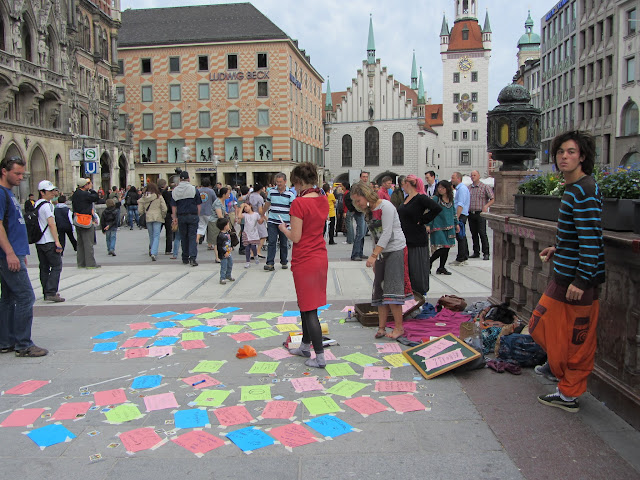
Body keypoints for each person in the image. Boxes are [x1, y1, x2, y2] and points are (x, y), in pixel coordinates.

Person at [529, 131, 605, 413]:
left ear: (582, 156)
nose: (564, 156)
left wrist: (582, 280)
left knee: (576, 339)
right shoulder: (575, 189)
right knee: (541, 325)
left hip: (577, 280)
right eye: (560, 152)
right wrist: (558, 248)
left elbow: (592, 239)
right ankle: (558, 369)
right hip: (565, 273)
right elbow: (579, 235)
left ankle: (569, 394)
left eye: (571, 152)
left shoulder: (584, 189)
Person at [278, 162, 329, 368]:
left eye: (294, 184)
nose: (294, 188)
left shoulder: (298, 203)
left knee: (309, 310)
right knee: (308, 305)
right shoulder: (323, 199)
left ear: (298, 182)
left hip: (305, 259)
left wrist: (283, 229)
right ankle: (305, 346)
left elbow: (296, 237)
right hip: (319, 256)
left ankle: (320, 356)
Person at [350, 182, 412, 340]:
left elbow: (387, 233)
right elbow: (374, 236)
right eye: (355, 201)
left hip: (395, 250)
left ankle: (399, 327)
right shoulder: (368, 212)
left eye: (358, 200)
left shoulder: (386, 206)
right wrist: (375, 255)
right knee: (379, 290)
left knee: (392, 290)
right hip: (381, 252)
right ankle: (382, 327)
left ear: (366, 195)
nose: (357, 204)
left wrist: (374, 256)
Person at [0, 155, 48, 357]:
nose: (21, 177)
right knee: (26, 296)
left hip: (13, 252)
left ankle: (6, 341)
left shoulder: (8, 193)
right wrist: (10, 252)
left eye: (22, 173)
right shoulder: (1, 193)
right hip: (6, 254)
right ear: (4, 171)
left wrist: (19, 251)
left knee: (9, 298)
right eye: (17, 173)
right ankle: (23, 344)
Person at [397, 175, 441, 295]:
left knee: (417, 269)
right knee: (408, 269)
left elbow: (436, 208)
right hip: (405, 238)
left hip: (416, 239)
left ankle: (420, 294)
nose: (402, 187)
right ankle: (409, 293)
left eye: (403, 185)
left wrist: (423, 220)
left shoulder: (420, 198)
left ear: (407, 184)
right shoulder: (407, 199)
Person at [34, 180, 65, 302]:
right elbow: (51, 224)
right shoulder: (47, 206)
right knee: (57, 266)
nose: (53, 193)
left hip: (39, 241)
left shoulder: (37, 204)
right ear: (42, 192)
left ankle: (46, 291)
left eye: (53, 190)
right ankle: (51, 291)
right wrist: (57, 241)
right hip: (49, 240)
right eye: (50, 191)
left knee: (44, 267)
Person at [264, 173, 295, 271]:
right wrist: (262, 214)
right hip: (272, 220)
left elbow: (293, 209)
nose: (278, 184)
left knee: (284, 242)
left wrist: (292, 223)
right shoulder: (271, 192)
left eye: (280, 182)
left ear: (285, 182)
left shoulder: (290, 194)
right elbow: (267, 204)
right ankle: (270, 263)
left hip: (284, 222)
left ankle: (284, 261)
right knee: (272, 242)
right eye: (277, 182)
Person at [171, 171, 201, 267]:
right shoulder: (193, 189)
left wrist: (174, 217)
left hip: (181, 216)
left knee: (183, 237)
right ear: (188, 179)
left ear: (180, 179)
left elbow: (174, 206)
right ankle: (192, 258)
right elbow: (199, 204)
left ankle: (185, 257)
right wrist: (198, 215)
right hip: (192, 215)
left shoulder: (175, 191)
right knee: (192, 236)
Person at [427, 180, 458, 275]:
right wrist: (428, 224)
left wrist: (456, 224)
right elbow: (430, 212)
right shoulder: (436, 199)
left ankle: (441, 267)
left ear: (447, 189)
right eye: (439, 188)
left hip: (449, 226)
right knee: (442, 247)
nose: (440, 190)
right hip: (438, 226)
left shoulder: (450, 199)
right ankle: (429, 261)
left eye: (443, 188)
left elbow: (453, 212)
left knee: (447, 247)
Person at [71, 178, 100, 269]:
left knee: (80, 243)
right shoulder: (85, 194)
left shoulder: (75, 194)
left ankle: (81, 263)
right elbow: (96, 197)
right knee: (88, 242)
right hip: (86, 220)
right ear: (85, 185)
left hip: (77, 220)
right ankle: (90, 264)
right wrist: (91, 189)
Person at [468, 170, 494, 260]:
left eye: (474, 175)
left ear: (479, 176)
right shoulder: (469, 188)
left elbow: (492, 198)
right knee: (473, 233)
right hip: (471, 213)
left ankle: (486, 252)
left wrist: (486, 206)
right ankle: (476, 251)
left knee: (482, 233)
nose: (473, 177)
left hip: (480, 213)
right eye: (471, 175)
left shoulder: (484, 187)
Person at [138, 182, 167, 261]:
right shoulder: (159, 196)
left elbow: (140, 210)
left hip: (148, 217)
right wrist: (163, 215)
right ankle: (154, 252)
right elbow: (164, 208)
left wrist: (144, 212)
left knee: (151, 235)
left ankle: (151, 250)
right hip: (157, 217)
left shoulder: (143, 197)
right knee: (156, 235)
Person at [450, 171, 470, 266]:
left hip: (461, 214)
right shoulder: (460, 189)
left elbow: (460, 204)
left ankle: (461, 258)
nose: (452, 179)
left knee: (460, 236)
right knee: (462, 236)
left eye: (453, 177)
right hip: (461, 214)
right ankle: (465, 255)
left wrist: (456, 218)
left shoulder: (461, 189)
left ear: (458, 178)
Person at [238, 203, 263, 268]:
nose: (245, 208)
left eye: (246, 206)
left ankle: (255, 255)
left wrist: (263, 218)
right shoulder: (245, 215)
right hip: (246, 233)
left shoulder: (256, 214)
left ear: (250, 206)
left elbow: (260, 222)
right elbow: (239, 216)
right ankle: (247, 261)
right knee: (247, 248)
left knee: (253, 247)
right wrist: (241, 208)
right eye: (244, 208)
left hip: (254, 233)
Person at [248, 183, 268, 256]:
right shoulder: (259, 198)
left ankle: (252, 252)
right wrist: (264, 217)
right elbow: (260, 210)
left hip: (250, 216)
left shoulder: (250, 196)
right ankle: (258, 251)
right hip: (258, 217)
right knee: (263, 235)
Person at [210, 187, 229, 262]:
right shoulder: (218, 202)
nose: (229, 195)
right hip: (215, 222)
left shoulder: (222, 201)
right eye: (228, 193)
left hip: (220, 222)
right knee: (216, 240)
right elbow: (220, 216)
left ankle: (221, 255)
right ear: (224, 194)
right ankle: (217, 257)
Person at [197, 178, 215, 247]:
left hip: (200, 211)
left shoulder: (198, 191)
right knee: (210, 228)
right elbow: (215, 201)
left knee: (201, 227)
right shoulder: (211, 191)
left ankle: (197, 239)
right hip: (209, 211)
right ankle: (210, 244)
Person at [216, 217, 235, 284]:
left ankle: (228, 275)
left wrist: (231, 246)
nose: (229, 225)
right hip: (223, 254)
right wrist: (224, 252)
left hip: (228, 252)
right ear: (224, 226)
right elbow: (219, 246)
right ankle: (222, 278)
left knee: (230, 264)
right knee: (224, 266)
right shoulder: (220, 236)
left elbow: (231, 240)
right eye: (227, 224)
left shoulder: (228, 233)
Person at [158, 179, 174, 254]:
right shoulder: (167, 193)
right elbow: (170, 204)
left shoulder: (156, 193)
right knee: (169, 232)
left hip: (158, 214)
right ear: (164, 185)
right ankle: (168, 250)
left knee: (156, 233)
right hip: (167, 214)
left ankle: (152, 248)